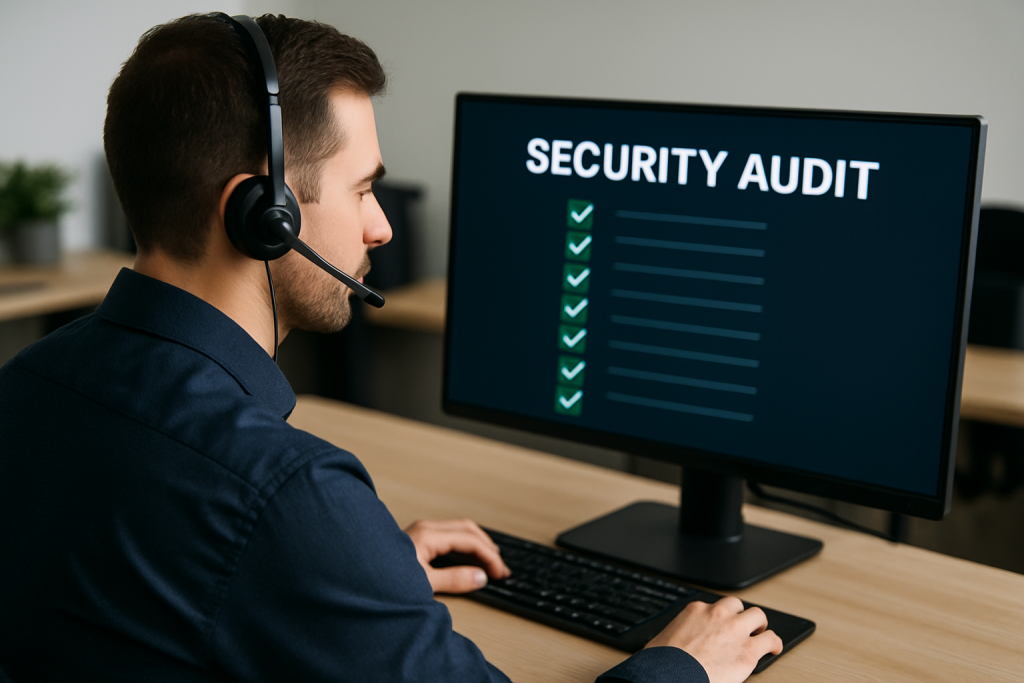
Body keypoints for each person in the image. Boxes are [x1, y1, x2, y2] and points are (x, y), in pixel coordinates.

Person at [0, 13, 781, 683]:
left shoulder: (25, 384)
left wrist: (354, 579)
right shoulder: (286, 493)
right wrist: (683, 665)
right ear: (263, 215)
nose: (381, 227)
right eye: (363, 189)